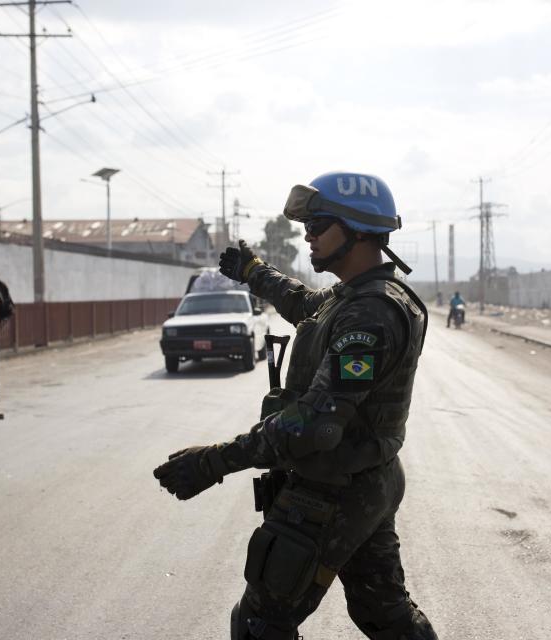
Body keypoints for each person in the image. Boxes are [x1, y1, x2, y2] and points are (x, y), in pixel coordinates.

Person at [154, 171, 438, 640]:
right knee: (386, 617)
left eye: (319, 223)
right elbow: (308, 305)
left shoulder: (371, 312)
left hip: (332, 489)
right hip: (365, 479)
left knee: (260, 624)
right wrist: (253, 272)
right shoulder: (354, 297)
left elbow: (316, 426)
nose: (308, 234)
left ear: (359, 231)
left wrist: (215, 460)